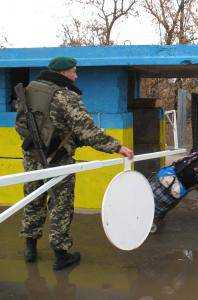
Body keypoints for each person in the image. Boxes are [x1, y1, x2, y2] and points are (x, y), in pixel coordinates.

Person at [15, 56, 134, 271]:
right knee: (61, 204)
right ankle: (61, 255)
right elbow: (87, 130)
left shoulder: (29, 91)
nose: (76, 75)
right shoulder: (65, 96)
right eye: (73, 71)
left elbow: (20, 124)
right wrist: (118, 147)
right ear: (63, 73)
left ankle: (30, 248)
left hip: (31, 157)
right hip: (58, 160)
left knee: (33, 199)